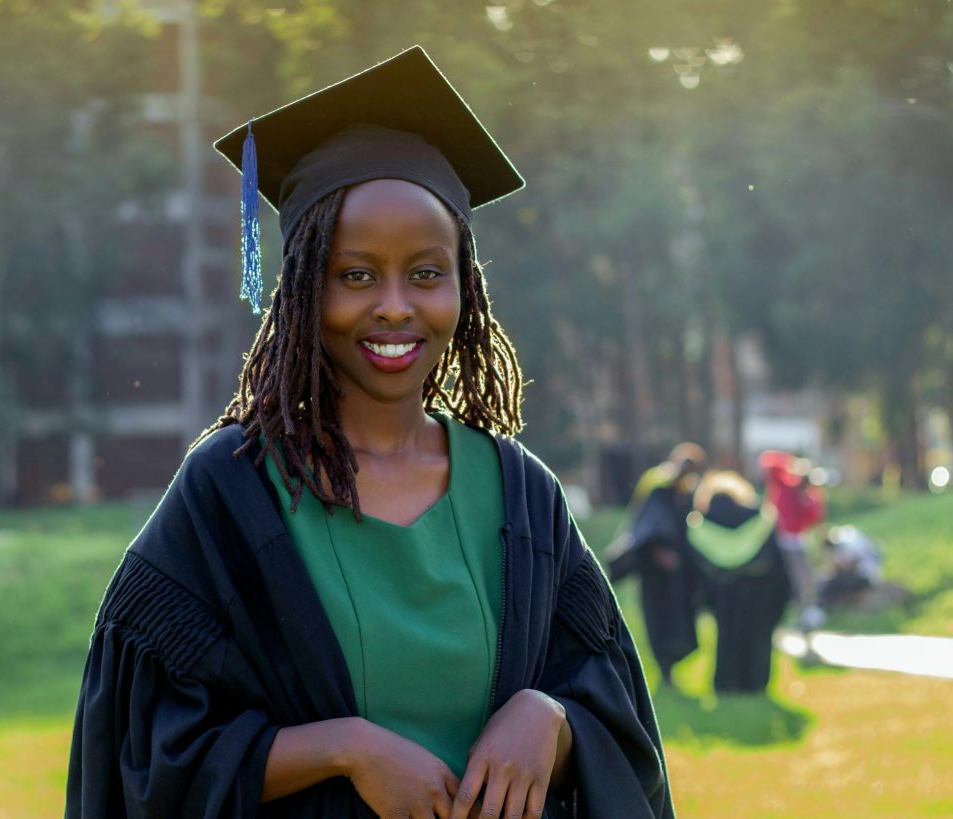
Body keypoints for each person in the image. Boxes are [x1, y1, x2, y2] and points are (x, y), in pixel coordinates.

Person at [65, 47, 673, 819]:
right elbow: (147, 750)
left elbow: (616, 720)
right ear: (304, 288)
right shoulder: (234, 488)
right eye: (355, 274)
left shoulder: (520, 494)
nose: (394, 306)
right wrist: (345, 746)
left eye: (425, 272)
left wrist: (553, 720)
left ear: (465, 286)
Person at [604, 443, 707, 685]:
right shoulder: (658, 490)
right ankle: (665, 670)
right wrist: (658, 552)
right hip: (656, 574)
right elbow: (646, 528)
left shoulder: (691, 497)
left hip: (682, 575)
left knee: (684, 623)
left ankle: (673, 663)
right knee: (659, 621)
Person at [685, 471, 792, 695]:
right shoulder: (760, 519)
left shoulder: (700, 524)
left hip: (723, 591)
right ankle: (755, 683)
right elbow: (778, 564)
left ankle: (725, 683)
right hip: (759, 590)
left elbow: (693, 569)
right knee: (757, 637)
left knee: (726, 636)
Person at [758, 450, 826, 631]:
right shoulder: (784, 486)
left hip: (797, 543)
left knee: (803, 580)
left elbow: (814, 519)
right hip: (778, 541)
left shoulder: (809, 498)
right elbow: (767, 462)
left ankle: (805, 614)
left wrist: (808, 498)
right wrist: (794, 465)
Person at [818, 525, 884, 609]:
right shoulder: (852, 535)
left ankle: (825, 608)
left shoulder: (846, 542)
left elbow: (849, 564)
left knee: (831, 583)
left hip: (865, 577)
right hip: (873, 574)